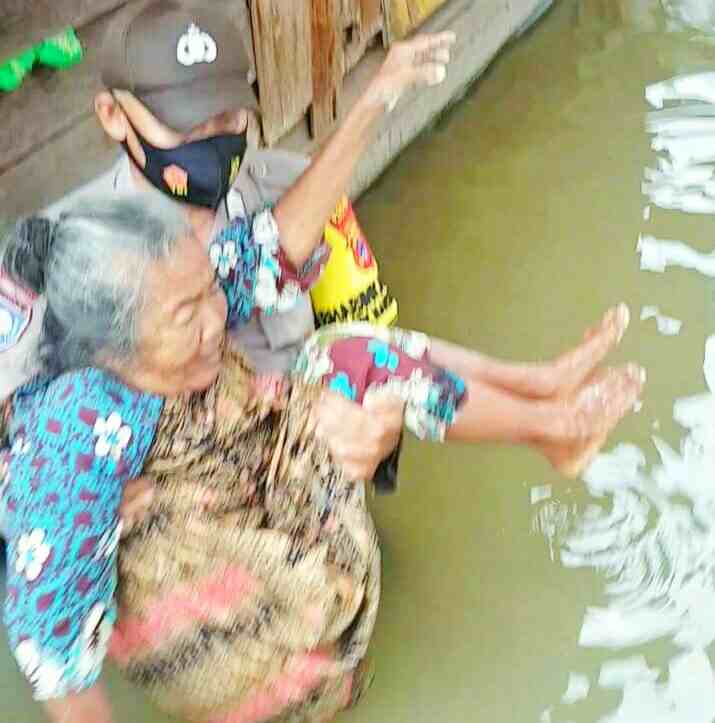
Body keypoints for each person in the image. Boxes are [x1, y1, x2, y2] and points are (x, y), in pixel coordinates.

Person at [0, 192, 643, 723]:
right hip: (237, 651)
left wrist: (380, 95)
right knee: (351, 384)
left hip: (238, 498)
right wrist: (117, 511)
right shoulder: (73, 444)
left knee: (351, 352)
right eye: (185, 313)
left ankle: (545, 400)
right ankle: (551, 420)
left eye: (206, 294)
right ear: (111, 351)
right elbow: (52, 653)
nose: (215, 319)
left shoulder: (161, 290)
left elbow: (262, 251)